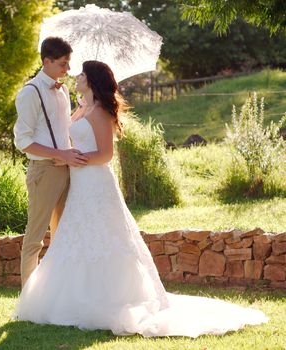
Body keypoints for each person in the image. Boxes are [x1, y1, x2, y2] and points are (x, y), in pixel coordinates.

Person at [13, 60, 268, 337]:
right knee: (77, 236)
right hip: (79, 184)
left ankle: (111, 299)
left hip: (96, 183)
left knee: (105, 237)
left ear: (93, 80)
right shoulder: (81, 107)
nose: (78, 76)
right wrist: (66, 155)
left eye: (83, 74)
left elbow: (105, 155)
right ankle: (69, 298)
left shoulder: (99, 112)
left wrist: (77, 159)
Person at [14, 37, 88, 287]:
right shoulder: (29, 93)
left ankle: (57, 294)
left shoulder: (64, 90)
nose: (68, 69)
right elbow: (23, 142)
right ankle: (28, 298)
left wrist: (84, 110)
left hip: (67, 170)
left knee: (64, 236)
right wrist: (60, 155)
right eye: (63, 64)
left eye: (68, 63)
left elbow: (63, 129)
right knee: (35, 238)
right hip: (44, 171)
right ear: (47, 61)